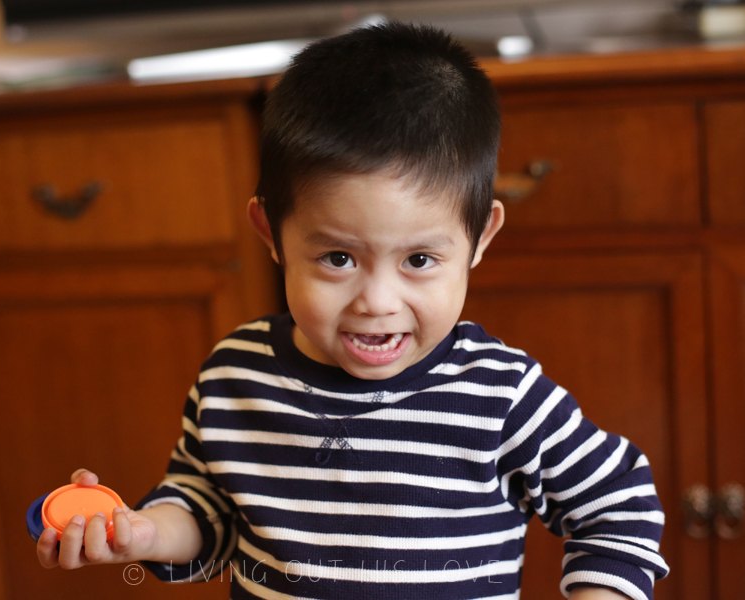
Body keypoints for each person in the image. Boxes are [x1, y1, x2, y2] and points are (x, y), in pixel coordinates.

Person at [36, 22, 668, 600]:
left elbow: (619, 506)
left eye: (419, 259)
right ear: (272, 233)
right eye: (338, 258)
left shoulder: (501, 394)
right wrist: (145, 533)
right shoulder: (235, 377)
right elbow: (209, 517)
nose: (377, 302)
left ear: (480, 239)